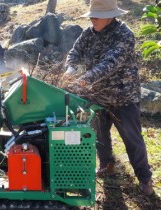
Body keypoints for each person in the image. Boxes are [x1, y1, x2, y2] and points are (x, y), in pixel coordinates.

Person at [64, 0, 153, 195]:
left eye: (96, 16)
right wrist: (70, 68)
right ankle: (107, 164)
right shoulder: (88, 33)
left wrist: (86, 78)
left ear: (110, 16)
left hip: (123, 97)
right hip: (98, 97)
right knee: (99, 134)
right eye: (91, 16)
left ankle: (145, 177)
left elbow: (111, 63)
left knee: (132, 139)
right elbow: (74, 53)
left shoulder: (124, 35)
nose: (93, 19)